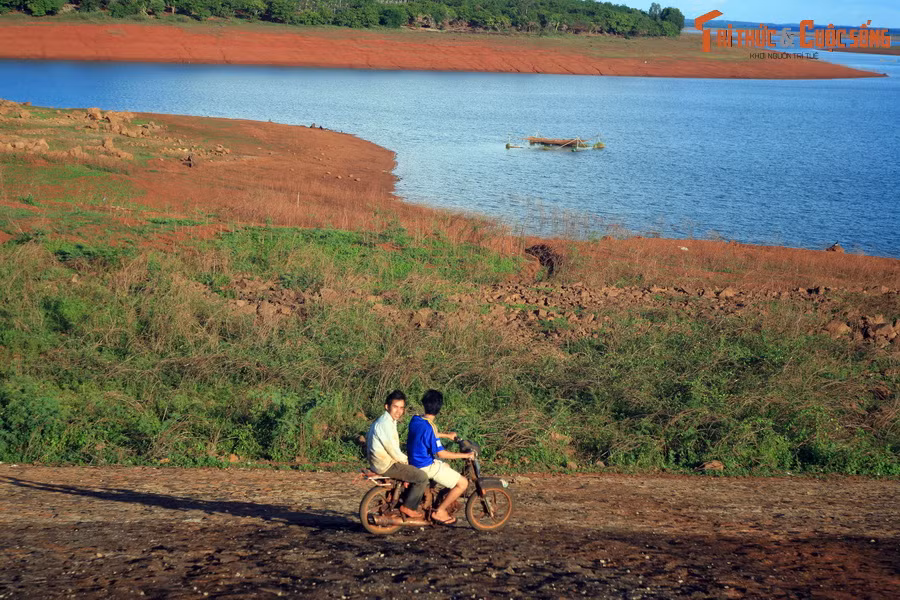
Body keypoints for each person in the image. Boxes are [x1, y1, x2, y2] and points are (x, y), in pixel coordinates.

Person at [407, 389, 475, 525]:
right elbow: (441, 453)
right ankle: (440, 511)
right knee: (463, 483)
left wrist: (448, 436)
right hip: (425, 465)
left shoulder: (416, 419)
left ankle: (431, 495)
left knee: (446, 466)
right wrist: (465, 455)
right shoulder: (430, 427)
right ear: (439, 408)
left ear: (424, 404)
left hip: (415, 460)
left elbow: (430, 435)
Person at [365, 390, 428, 519]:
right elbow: (394, 452)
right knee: (422, 477)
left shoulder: (387, 421)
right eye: (395, 407)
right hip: (385, 464)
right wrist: (409, 462)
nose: (398, 411)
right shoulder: (385, 424)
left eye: (401, 408)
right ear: (387, 407)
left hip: (382, 461)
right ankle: (409, 507)